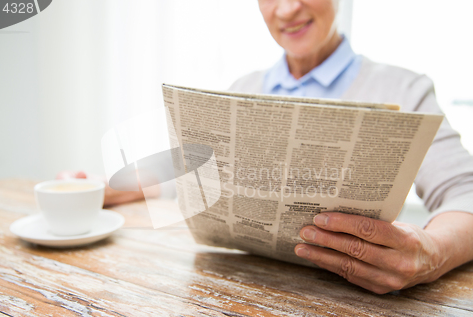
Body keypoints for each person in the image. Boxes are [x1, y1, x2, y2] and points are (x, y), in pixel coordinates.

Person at [61, 0, 473, 294]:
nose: (287, 9)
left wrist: (431, 254)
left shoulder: (404, 88)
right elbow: (188, 174)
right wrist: (106, 187)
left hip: (355, 303)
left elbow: (465, 194)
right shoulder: (245, 89)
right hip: (234, 293)